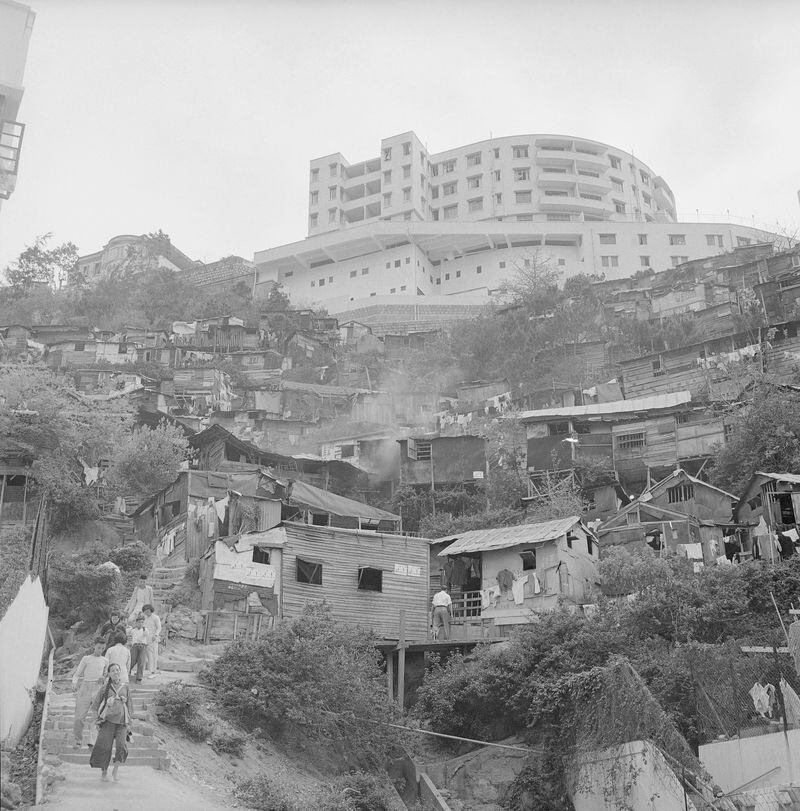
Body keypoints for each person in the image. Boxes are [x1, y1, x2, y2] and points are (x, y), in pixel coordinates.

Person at [89, 663, 133, 782]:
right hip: (107, 722)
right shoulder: (105, 688)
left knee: (121, 747)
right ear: (108, 673)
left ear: (120, 672)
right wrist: (96, 722)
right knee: (104, 747)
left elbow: (130, 706)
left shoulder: (125, 687)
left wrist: (129, 723)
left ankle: (115, 771)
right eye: (113, 670)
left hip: (122, 723)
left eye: (117, 670)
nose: (116, 672)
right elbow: (95, 705)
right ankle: (104, 771)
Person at [71, 639, 108, 748]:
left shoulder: (105, 660)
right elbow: (76, 674)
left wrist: (104, 678)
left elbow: (106, 675)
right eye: (98, 648)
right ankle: (78, 740)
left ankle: (92, 741)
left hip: (98, 688)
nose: (100, 650)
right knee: (79, 717)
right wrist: (74, 683)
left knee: (95, 716)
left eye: (102, 648)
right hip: (85, 688)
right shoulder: (86, 658)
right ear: (94, 646)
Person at [128, 614, 150, 683]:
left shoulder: (145, 630)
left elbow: (145, 635)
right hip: (135, 646)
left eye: (142, 622)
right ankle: (127, 674)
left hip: (142, 647)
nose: (140, 624)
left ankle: (139, 678)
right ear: (136, 622)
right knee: (132, 660)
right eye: (139, 622)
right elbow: (128, 633)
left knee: (141, 662)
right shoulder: (133, 630)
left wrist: (143, 630)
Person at [142, 604, 161, 679]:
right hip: (145, 638)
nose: (147, 613)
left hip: (153, 638)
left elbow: (159, 628)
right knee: (145, 655)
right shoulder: (144, 617)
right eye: (145, 612)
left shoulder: (156, 617)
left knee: (153, 655)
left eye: (148, 611)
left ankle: (153, 671)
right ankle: (145, 671)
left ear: (151, 610)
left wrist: (156, 635)